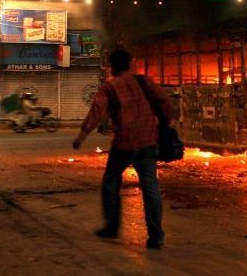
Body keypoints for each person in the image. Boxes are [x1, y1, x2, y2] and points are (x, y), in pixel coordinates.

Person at [72, 49, 172, 249]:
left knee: (111, 180)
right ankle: (156, 235)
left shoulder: (110, 87)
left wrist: (82, 135)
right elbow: (164, 101)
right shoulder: (143, 81)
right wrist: (164, 122)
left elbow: (97, 112)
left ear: (112, 66)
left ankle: (111, 226)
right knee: (150, 186)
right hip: (148, 139)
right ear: (129, 64)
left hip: (125, 142)